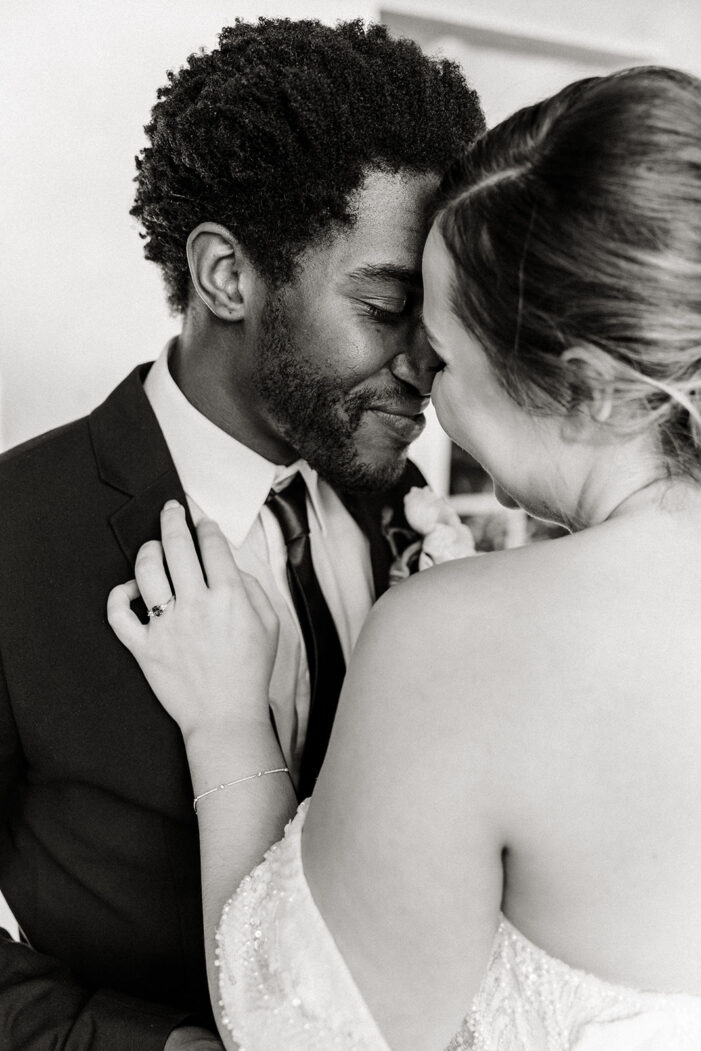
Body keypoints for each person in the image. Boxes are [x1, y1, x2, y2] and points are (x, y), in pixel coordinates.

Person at [110, 65, 701, 1049]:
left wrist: (226, 725)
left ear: (585, 385)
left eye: (447, 351)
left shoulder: (460, 631)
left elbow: (295, 1029)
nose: (426, 389)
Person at [0, 19, 484, 1051]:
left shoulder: (403, 509)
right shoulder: (15, 531)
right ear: (226, 275)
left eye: (439, 317)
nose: (427, 361)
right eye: (388, 302)